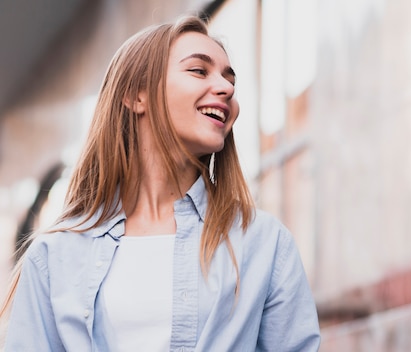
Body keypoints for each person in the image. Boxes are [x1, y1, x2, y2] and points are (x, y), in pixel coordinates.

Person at [0, 15, 320, 351]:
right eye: (199, 70)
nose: (226, 88)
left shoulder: (265, 245)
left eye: (230, 80)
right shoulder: (54, 256)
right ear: (136, 95)